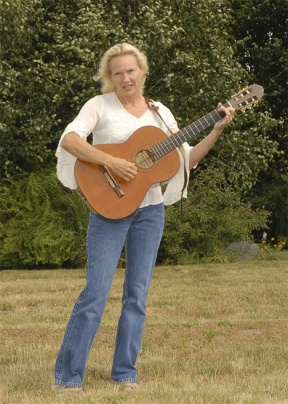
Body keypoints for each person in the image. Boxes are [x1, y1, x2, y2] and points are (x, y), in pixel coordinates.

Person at [54, 42, 235, 393]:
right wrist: (110, 161)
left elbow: (186, 159)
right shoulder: (99, 106)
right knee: (96, 293)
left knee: (136, 295)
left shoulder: (161, 114)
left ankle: (125, 373)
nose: (125, 78)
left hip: (150, 212)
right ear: (110, 76)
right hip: (110, 209)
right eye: (118, 72)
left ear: (143, 72)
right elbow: (70, 140)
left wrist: (216, 128)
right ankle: (68, 377)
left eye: (131, 71)